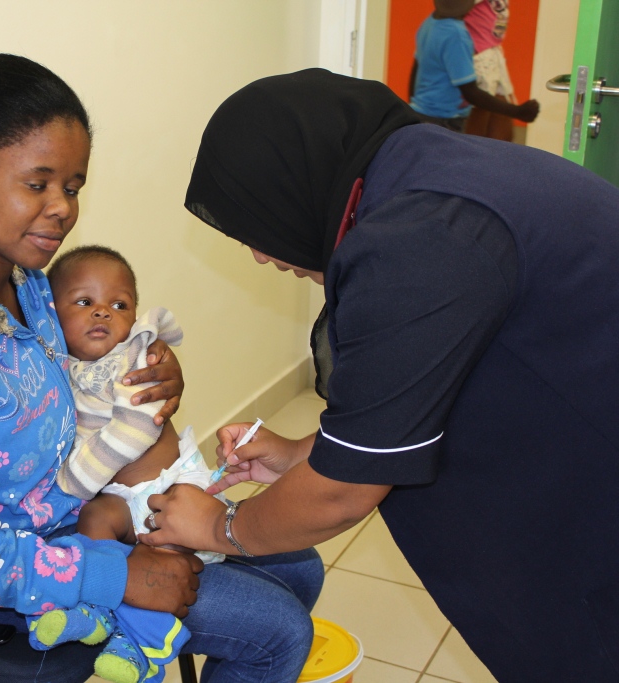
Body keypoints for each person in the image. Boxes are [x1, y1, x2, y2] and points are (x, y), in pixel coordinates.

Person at [0, 54, 323, 683]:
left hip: (89, 506)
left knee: (300, 566)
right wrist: (116, 572)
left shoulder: (26, 281)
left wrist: (151, 372)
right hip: (20, 562)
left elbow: (72, 364)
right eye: (37, 184)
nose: (63, 208)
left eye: (72, 186)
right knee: (279, 632)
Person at [139, 68, 619, 681]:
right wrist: (299, 454)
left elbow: (343, 493)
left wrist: (219, 525)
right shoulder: (430, 173)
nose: (260, 254)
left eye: (256, 225)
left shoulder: (422, 241)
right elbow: (425, 393)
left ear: (297, 182)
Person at [32, 245, 227, 682]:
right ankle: (95, 611)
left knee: (167, 557)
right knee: (97, 517)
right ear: (51, 315)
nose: (102, 313)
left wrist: (72, 483)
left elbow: (135, 430)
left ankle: (144, 643)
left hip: (171, 490)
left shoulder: (133, 360)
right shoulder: (60, 365)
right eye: (85, 302)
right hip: (121, 498)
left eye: (118, 305)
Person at [409, 0, 537, 132]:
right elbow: (471, 92)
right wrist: (518, 112)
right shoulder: (456, 34)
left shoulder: (428, 24)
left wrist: (411, 112)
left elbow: (415, 71)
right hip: (443, 122)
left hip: (422, 114)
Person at [462, 0, 519, 140]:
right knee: (477, 124)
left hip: (492, 56)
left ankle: (499, 160)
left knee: (502, 115)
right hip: (476, 58)